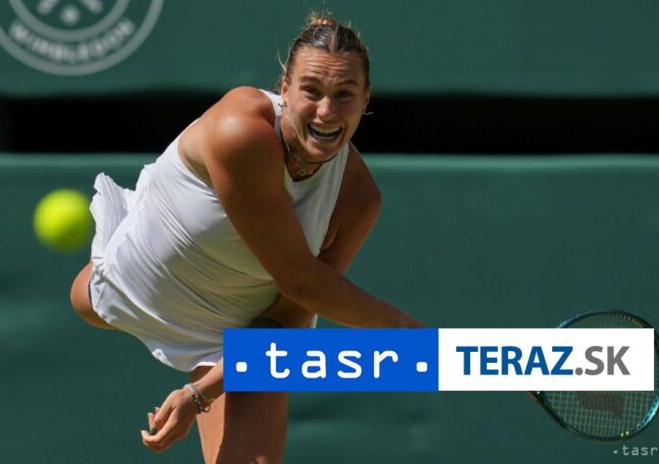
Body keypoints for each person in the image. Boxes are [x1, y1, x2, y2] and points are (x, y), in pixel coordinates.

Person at [69, 13, 422, 464]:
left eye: (344, 95)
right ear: (285, 88)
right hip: (131, 286)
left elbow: (291, 315)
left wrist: (201, 392)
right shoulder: (241, 131)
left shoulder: (358, 198)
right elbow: (302, 282)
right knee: (85, 301)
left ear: (365, 100)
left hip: (236, 332)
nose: (326, 112)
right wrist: (410, 335)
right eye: (311, 91)